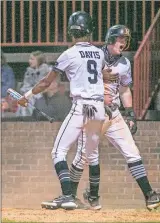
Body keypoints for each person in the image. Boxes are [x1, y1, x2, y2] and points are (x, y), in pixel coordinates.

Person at [69, 25, 160, 211]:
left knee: (132, 152)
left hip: (114, 114)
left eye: (126, 40)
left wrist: (130, 113)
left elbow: (124, 89)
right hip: (93, 112)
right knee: (83, 156)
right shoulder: (94, 56)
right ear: (110, 39)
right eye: (120, 39)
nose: (123, 43)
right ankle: (70, 196)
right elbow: (82, 81)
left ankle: (150, 196)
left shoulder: (124, 63)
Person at [18, 11, 106, 210]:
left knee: (58, 151)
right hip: (98, 108)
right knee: (91, 155)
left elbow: (46, 82)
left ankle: (67, 196)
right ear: (89, 30)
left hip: (81, 106)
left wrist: (27, 96)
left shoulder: (69, 54)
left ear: (71, 31)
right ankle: (94, 199)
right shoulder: (100, 53)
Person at [16, 51, 50, 117]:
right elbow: (26, 84)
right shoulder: (29, 71)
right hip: (30, 92)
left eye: (32, 59)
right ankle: (23, 117)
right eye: (29, 59)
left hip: (41, 93)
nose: (29, 61)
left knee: (28, 98)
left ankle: (30, 117)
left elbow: (42, 85)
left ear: (39, 60)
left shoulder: (46, 70)